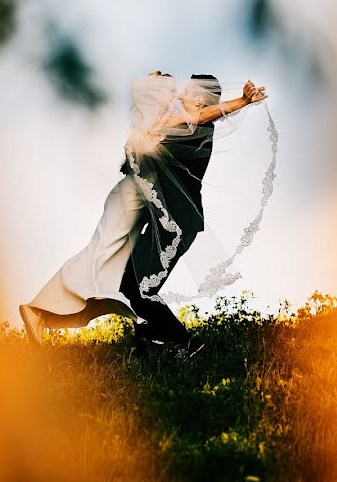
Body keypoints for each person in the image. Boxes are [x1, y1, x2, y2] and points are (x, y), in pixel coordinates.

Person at [19, 71, 268, 353]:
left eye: (186, 91)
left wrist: (242, 101)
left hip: (178, 225)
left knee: (133, 283)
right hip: (159, 219)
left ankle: (181, 344)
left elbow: (199, 118)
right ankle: (158, 345)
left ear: (199, 100)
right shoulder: (178, 124)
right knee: (126, 278)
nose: (179, 95)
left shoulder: (196, 129)